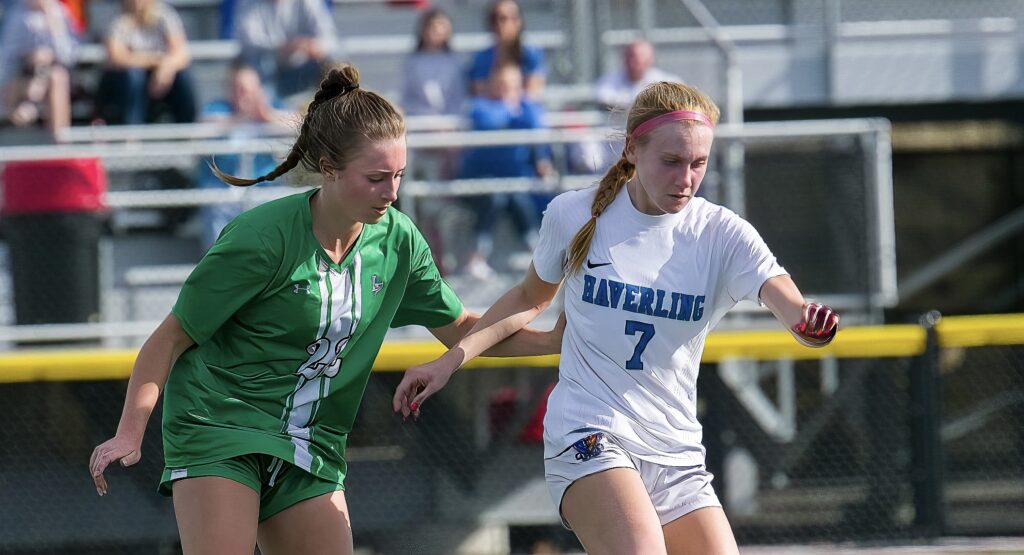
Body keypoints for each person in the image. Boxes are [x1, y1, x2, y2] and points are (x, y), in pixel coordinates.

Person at [89, 63, 564, 555]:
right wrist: (130, 432)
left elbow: (463, 328)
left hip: (312, 444)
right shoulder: (261, 238)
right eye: (377, 177)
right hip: (220, 427)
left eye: (399, 175)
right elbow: (169, 338)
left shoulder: (399, 241)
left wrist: (553, 341)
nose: (393, 193)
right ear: (329, 168)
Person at [392, 81, 841, 554]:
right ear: (632, 148)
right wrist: (448, 363)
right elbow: (528, 298)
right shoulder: (573, 213)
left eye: (698, 164)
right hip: (590, 431)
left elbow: (787, 301)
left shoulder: (722, 233)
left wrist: (806, 321)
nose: (686, 179)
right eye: (671, 162)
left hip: (675, 451)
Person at [459, 63, 555, 280]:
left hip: (514, 183)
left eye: (512, 85)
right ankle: (476, 258)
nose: (506, 89)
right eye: (501, 84)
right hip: (479, 180)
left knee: (515, 196)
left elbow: (537, 127)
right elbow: (490, 124)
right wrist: (513, 110)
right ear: (491, 85)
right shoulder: (479, 106)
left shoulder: (526, 108)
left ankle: (536, 254)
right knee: (497, 196)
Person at [193, 63, 295, 251]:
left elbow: (301, 127)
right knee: (216, 208)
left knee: (280, 207)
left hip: (263, 187)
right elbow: (200, 132)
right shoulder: (218, 108)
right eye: (238, 89)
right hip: (223, 189)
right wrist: (239, 117)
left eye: (248, 89)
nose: (243, 94)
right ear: (229, 90)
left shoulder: (269, 108)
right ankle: (222, 267)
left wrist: (268, 117)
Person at [95, 0, 197, 125]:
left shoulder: (165, 14)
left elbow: (182, 54)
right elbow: (118, 57)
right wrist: (155, 60)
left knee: (182, 77)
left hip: (158, 78)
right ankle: (132, 133)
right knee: (134, 76)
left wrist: (165, 70)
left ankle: (187, 130)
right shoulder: (117, 18)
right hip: (122, 81)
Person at [0, 0, 76, 140]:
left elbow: (68, 56)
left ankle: (60, 140)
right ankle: (27, 103)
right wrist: (30, 56)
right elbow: (7, 57)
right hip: (21, 74)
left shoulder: (60, 12)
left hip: (51, 73)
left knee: (57, 77)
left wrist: (54, 25)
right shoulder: (17, 15)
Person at [234, 0, 336, 99]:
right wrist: (286, 47)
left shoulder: (308, 2)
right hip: (265, 70)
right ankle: (267, 103)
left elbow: (328, 39)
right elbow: (249, 43)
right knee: (263, 62)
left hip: (301, 68)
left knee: (333, 64)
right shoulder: (248, 2)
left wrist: (314, 46)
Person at [468, 0, 544, 98]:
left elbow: (533, 93)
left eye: (513, 18)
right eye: (500, 19)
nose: (505, 24)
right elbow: (480, 93)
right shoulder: (481, 59)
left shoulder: (531, 54)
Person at [595, 39, 682, 111]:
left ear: (650, 60)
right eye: (629, 57)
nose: (632, 62)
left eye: (637, 58)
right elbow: (603, 98)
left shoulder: (666, 81)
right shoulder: (608, 81)